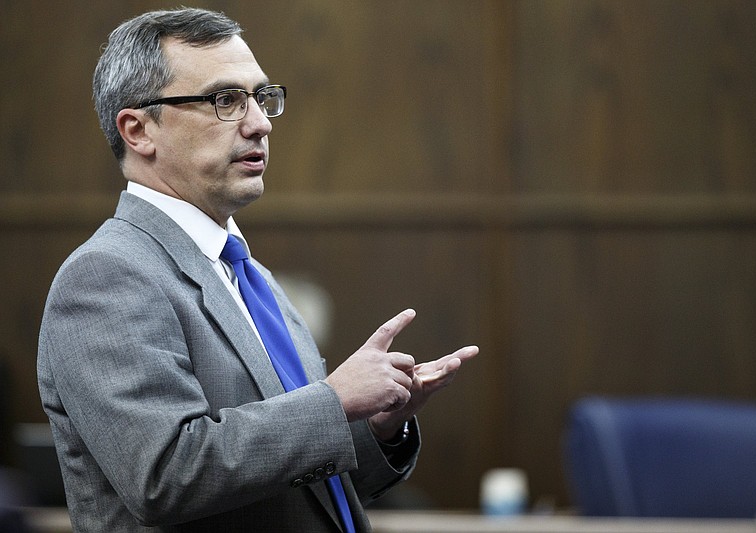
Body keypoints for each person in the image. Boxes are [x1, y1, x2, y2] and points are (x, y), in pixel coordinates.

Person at [37, 7, 478, 533]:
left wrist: (376, 426)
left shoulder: (251, 278)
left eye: (261, 98)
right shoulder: (106, 276)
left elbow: (292, 491)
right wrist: (333, 401)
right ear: (138, 130)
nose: (260, 123)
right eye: (225, 100)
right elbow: (164, 475)